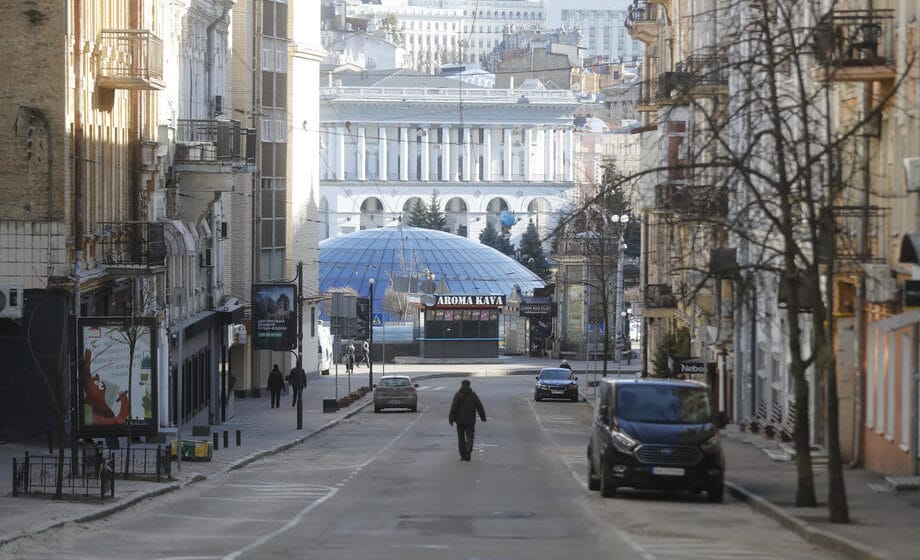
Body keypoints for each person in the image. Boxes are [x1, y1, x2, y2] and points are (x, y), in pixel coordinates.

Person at [448, 379, 487, 461]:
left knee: (461, 439)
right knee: (470, 437)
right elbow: (479, 406)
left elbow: (453, 408)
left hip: (460, 421)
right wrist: (483, 417)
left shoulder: (458, 395)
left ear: (461, 385)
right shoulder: (473, 395)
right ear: (469, 385)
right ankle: (468, 450)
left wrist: (451, 419)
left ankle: (463, 455)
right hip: (470, 421)